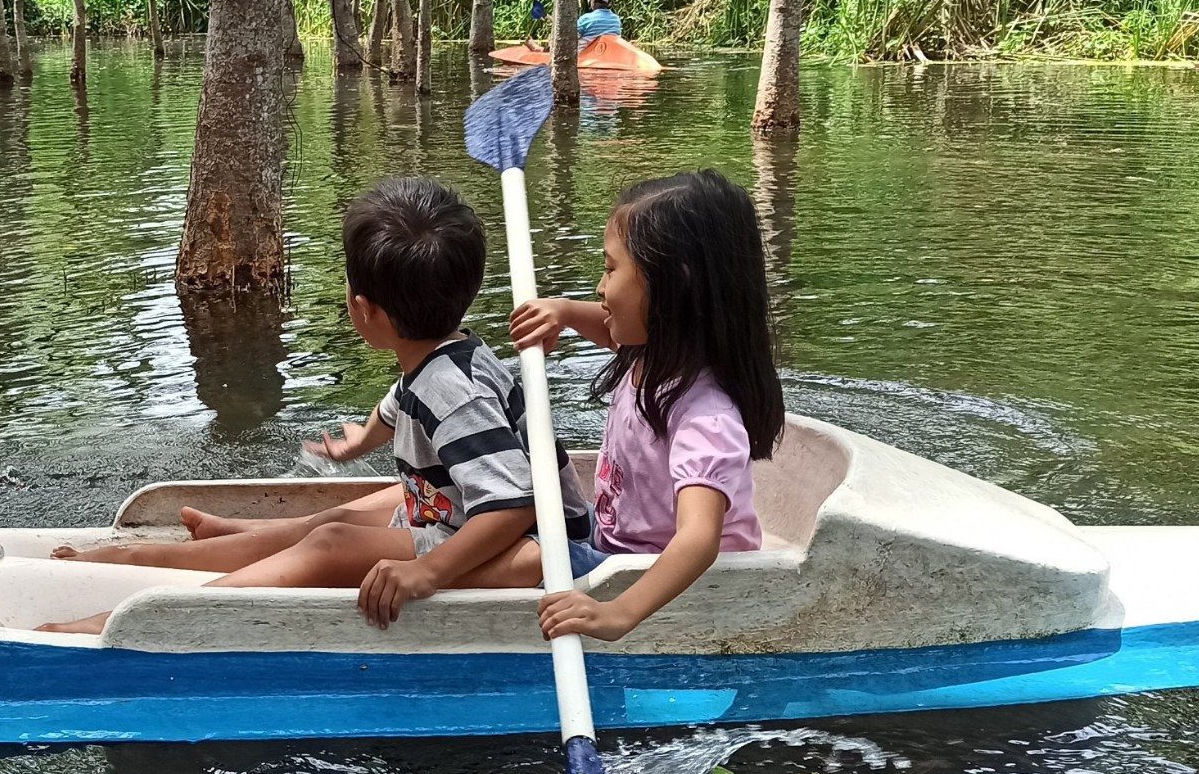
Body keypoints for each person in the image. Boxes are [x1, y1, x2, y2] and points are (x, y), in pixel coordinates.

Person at [42, 177, 590, 633]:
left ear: (363, 309)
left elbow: (512, 504)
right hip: (466, 517)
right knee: (344, 515)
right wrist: (362, 440)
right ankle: (180, 550)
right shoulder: (445, 354)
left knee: (333, 542)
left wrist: (429, 573)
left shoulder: (453, 390)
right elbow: (400, 407)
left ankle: (145, 618)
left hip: (531, 552)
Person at [506, 170, 785, 642]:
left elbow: (698, 540)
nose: (600, 286)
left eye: (612, 269)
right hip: (612, 538)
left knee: (513, 555)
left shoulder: (705, 415)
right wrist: (567, 312)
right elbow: (607, 324)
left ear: (671, 286)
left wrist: (619, 613)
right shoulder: (655, 351)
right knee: (507, 506)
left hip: (645, 568)